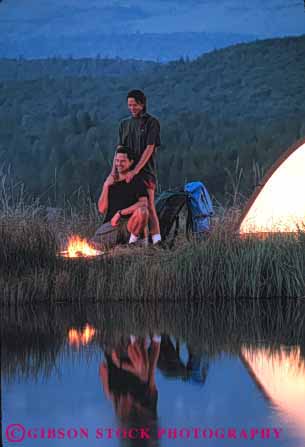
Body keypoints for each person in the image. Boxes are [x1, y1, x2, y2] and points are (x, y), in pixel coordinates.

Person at [115, 89, 162, 245]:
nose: (132, 108)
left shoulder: (151, 123)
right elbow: (119, 150)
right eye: (129, 105)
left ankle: (156, 240)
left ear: (142, 104)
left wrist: (136, 170)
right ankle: (135, 239)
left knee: (149, 205)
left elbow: (150, 148)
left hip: (146, 171)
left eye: (134, 105)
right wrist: (114, 172)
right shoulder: (124, 124)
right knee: (130, 205)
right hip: (126, 172)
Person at [91, 146, 149, 249]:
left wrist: (120, 213)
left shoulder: (136, 181)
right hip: (111, 224)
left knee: (143, 212)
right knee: (90, 247)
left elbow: (144, 203)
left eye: (123, 161)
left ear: (130, 162)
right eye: (117, 161)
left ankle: (132, 245)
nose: (119, 164)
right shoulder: (111, 181)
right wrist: (106, 186)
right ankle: (116, 247)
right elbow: (101, 209)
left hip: (129, 224)